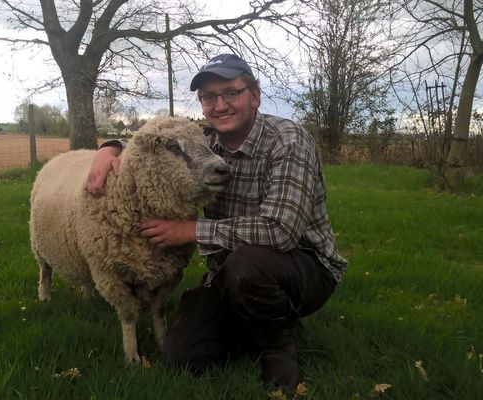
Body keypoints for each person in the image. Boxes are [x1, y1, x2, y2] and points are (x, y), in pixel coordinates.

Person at [85, 54, 348, 392]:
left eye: (231, 93)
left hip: (303, 267)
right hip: (227, 273)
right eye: (209, 97)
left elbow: (281, 231)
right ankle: (247, 322)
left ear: (254, 96)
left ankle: (276, 349)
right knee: (182, 356)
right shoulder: (206, 143)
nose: (219, 105)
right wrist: (110, 148)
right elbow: (159, 142)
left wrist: (190, 231)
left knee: (248, 263)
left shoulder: (288, 140)